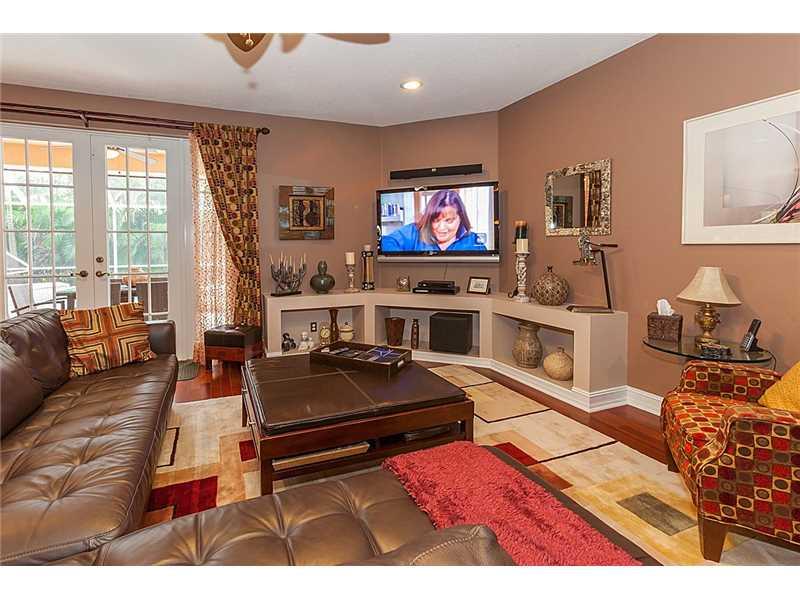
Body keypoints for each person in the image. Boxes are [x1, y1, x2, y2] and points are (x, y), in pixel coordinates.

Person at [380, 189, 487, 252]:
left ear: (461, 218)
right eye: (436, 220)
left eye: (449, 221)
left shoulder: (473, 242)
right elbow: (385, 241)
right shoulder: (413, 232)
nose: (441, 228)